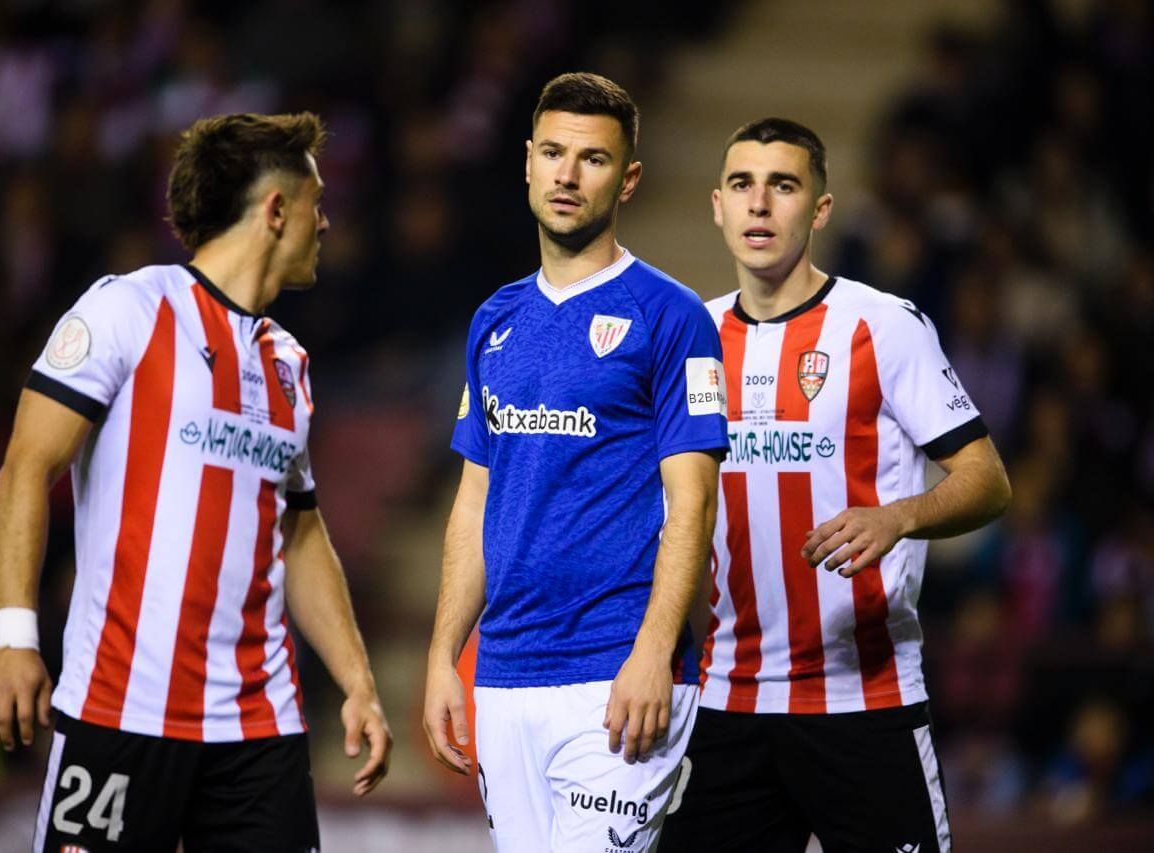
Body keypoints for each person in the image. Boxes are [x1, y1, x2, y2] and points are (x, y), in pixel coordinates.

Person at [0, 112, 391, 852]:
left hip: (259, 731)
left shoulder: (288, 362)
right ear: (275, 209)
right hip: (121, 709)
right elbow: (24, 469)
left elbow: (298, 527)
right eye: (317, 202)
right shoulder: (126, 310)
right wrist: (14, 637)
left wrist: (357, 679)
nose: (326, 222)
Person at [660, 118, 1013, 853]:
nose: (760, 204)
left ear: (819, 209)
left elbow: (988, 480)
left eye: (782, 185)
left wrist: (899, 517)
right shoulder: (687, 335)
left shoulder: (884, 327)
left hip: (865, 697)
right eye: (742, 185)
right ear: (717, 205)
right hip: (728, 701)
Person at [422, 72, 729, 852]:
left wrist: (655, 651)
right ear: (526, 161)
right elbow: (473, 502)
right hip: (507, 674)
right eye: (553, 153)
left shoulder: (674, 317)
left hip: (616, 676)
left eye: (591, 159)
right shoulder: (495, 320)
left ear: (627, 179)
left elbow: (693, 503)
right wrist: (441, 657)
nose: (567, 174)